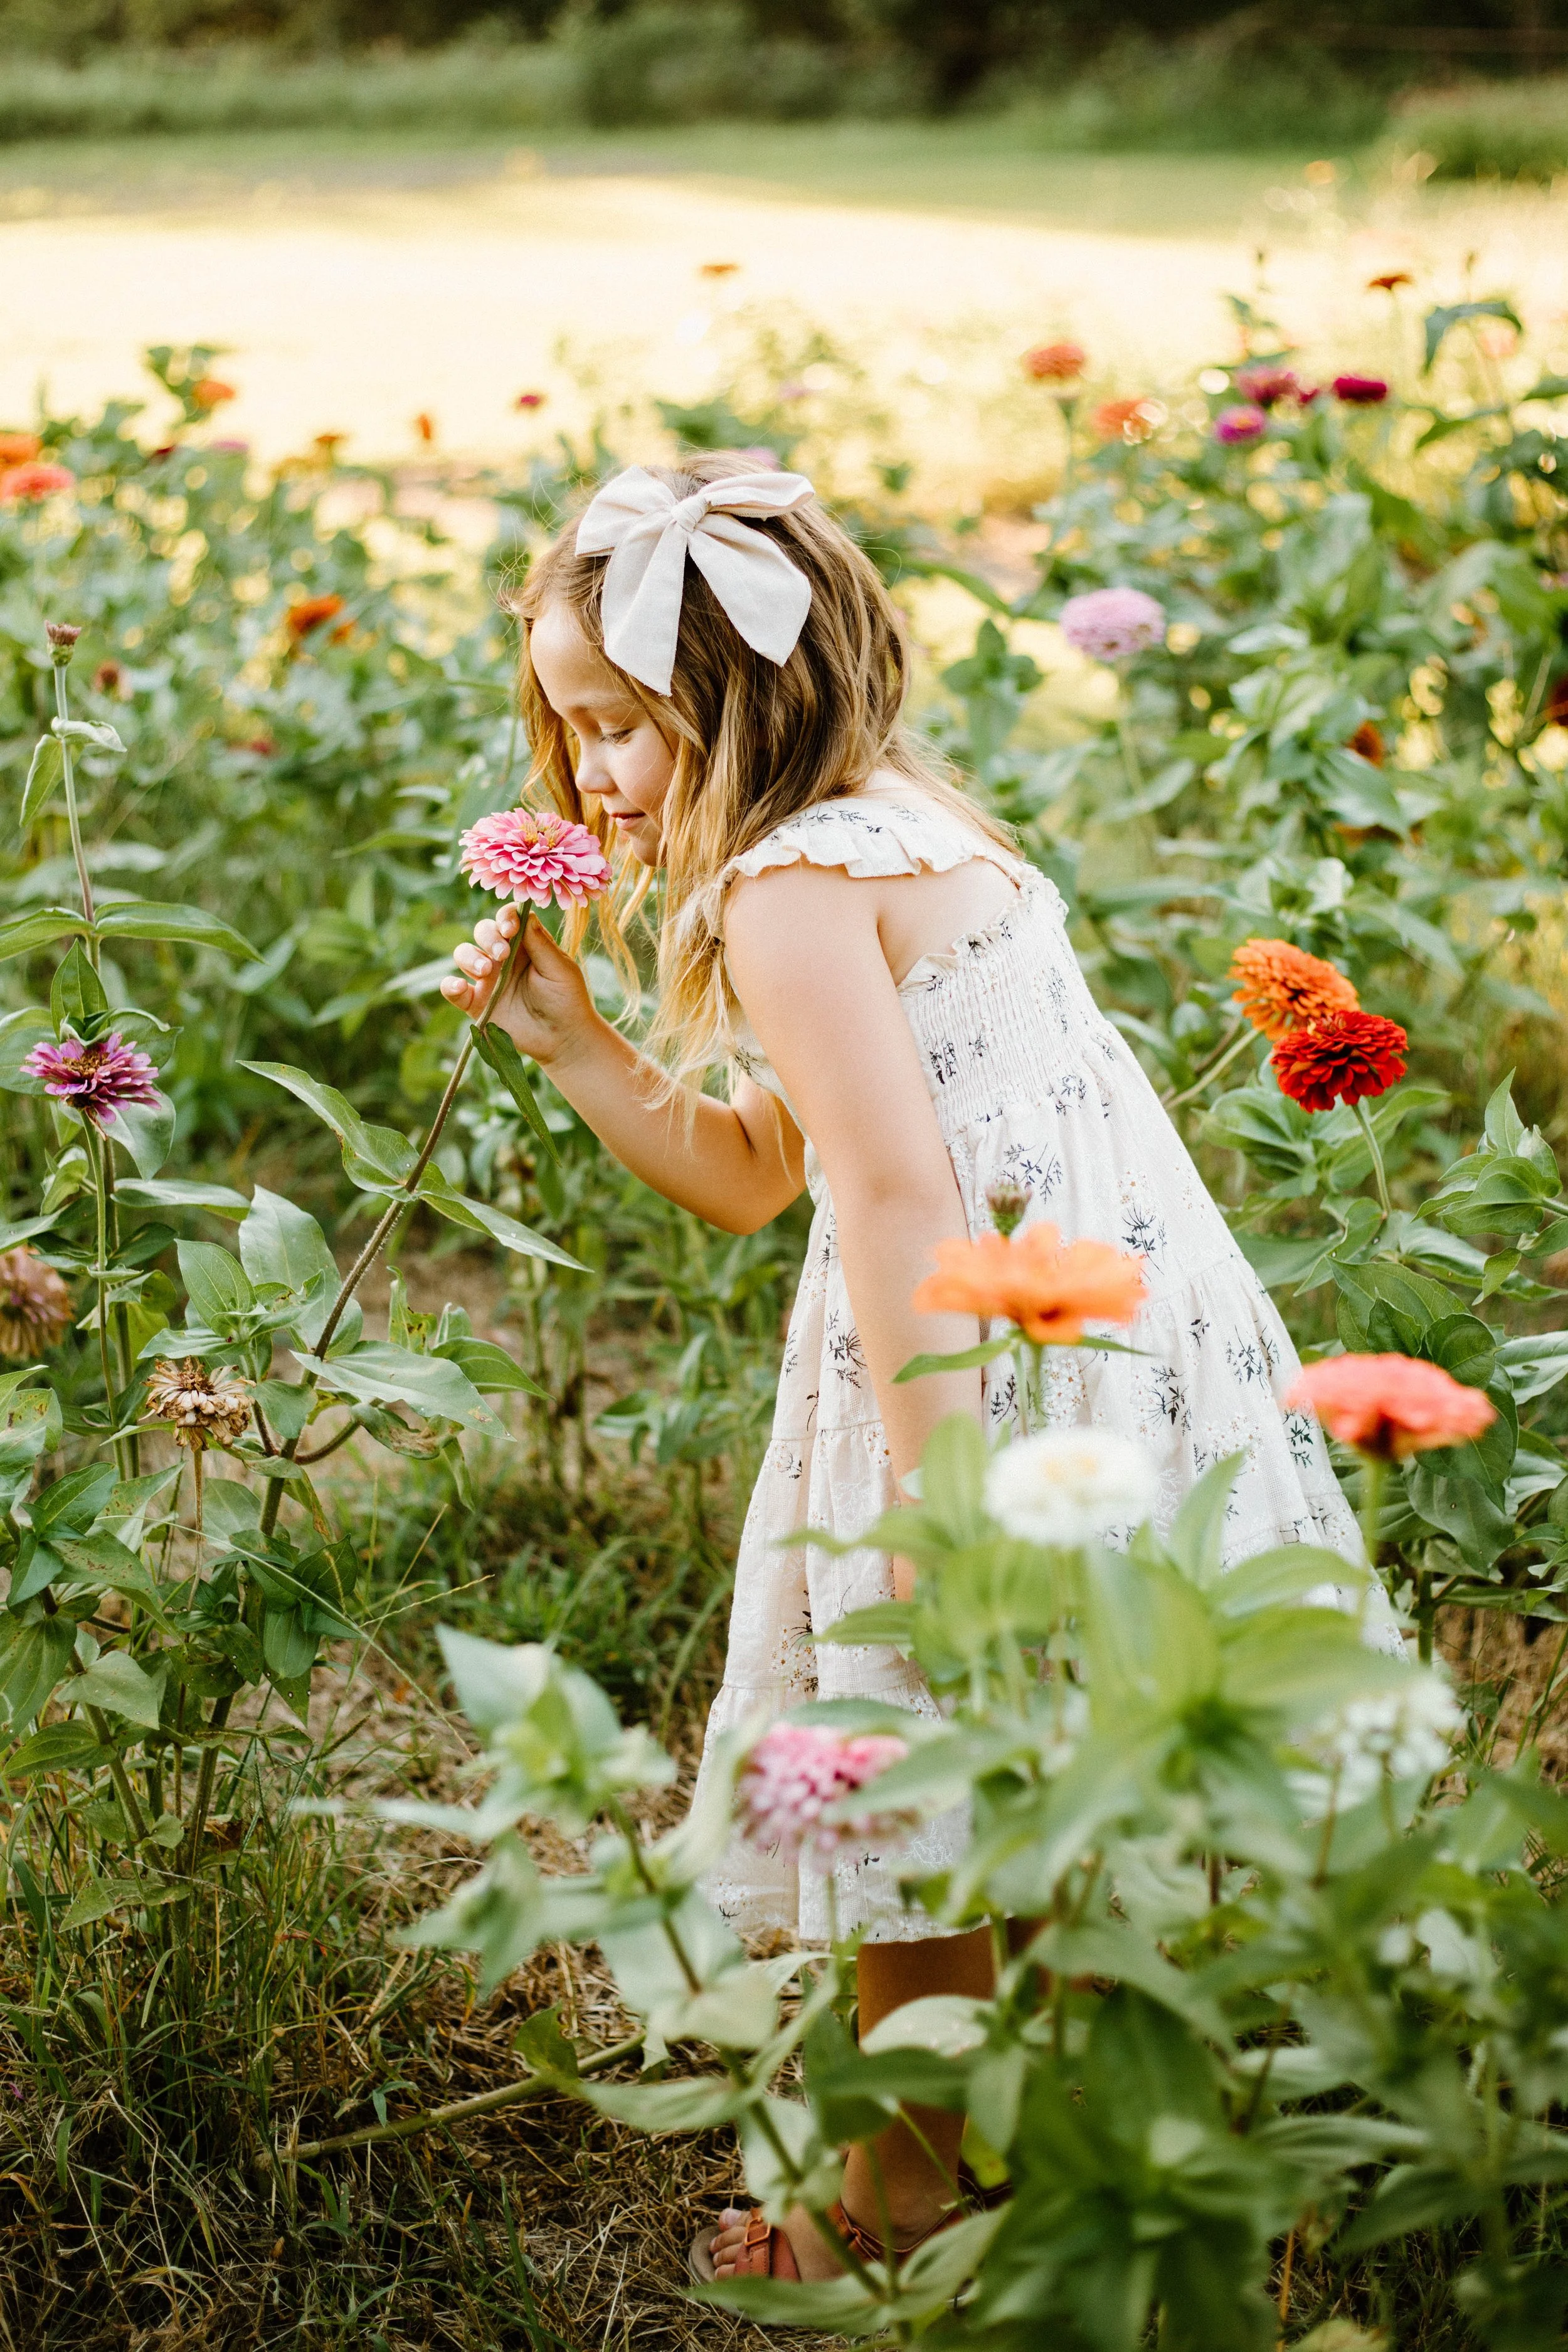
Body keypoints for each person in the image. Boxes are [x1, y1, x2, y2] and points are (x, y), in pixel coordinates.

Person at [438, 453, 1373, 2285]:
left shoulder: (789, 893)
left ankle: (899, 2191)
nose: (599, 777)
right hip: (1091, 1326)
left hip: (958, 1356)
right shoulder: (906, 824)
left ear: (753, 702)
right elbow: (752, 1171)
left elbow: (882, 1186)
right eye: (575, 732)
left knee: (900, 1759)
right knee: (1014, 1759)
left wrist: (934, 1490)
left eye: (627, 727)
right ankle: (1045, 2114)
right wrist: (571, 1044)